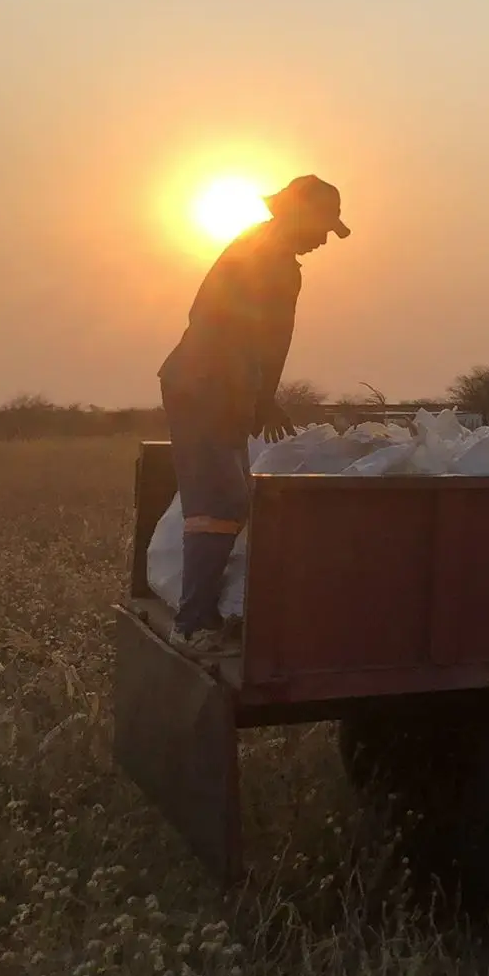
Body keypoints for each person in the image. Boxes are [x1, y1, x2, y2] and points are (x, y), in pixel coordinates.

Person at [158, 174, 350, 654]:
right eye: (324, 227)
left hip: (216, 386)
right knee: (219, 503)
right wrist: (249, 394)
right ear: (299, 215)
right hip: (208, 387)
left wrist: (262, 397)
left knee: (229, 499)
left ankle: (200, 617)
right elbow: (229, 329)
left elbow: (265, 340)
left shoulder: (267, 254)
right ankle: (193, 626)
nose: (325, 240)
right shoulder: (264, 258)